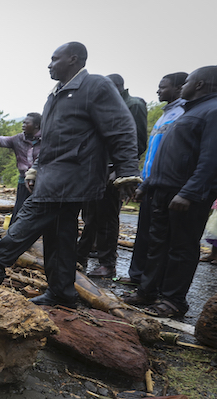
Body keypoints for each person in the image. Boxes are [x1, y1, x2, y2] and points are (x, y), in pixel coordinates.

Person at [0, 42, 140, 308]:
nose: (49, 65)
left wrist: (128, 171)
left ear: (73, 59)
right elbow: (51, 141)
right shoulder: (55, 95)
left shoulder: (95, 86)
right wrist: (36, 168)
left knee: (29, 217)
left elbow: (121, 128)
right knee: (60, 234)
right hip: (54, 172)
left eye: (55, 59)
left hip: (74, 174)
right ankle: (62, 292)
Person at [125, 66, 217, 317]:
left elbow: (211, 159)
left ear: (199, 84)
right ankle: (148, 291)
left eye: (187, 82)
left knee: (181, 248)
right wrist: (147, 184)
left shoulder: (212, 111)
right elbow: (167, 156)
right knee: (157, 245)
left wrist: (189, 192)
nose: (183, 86)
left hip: (185, 194)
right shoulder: (190, 111)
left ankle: (173, 300)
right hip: (163, 190)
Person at [75, 74, 149, 278]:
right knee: (90, 216)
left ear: (113, 86)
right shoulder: (105, 106)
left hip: (113, 171)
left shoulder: (133, 105)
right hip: (96, 169)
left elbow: (136, 142)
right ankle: (80, 256)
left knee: (107, 218)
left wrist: (121, 169)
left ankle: (108, 264)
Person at [122, 72, 188, 289]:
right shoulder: (165, 114)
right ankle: (137, 276)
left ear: (179, 88)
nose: (158, 90)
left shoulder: (183, 114)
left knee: (161, 238)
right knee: (144, 233)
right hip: (150, 180)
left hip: (167, 183)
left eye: (163, 87)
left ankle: (154, 284)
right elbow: (153, 153)